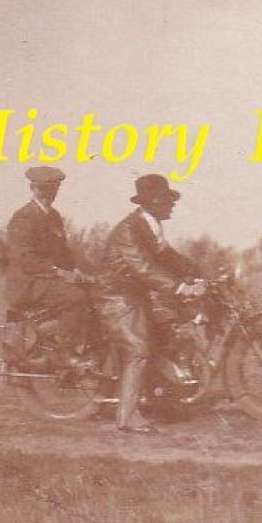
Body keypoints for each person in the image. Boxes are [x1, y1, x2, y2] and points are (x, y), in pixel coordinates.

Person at [98, 174, 201, 434]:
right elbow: (144, 267)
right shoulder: (129, 230)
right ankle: (127, 416)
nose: (173, 204)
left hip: (135, 294)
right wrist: (179, 287)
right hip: (116, 296)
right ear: (154, 201)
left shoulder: (150, 225)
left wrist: (198, 273)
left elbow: (166, 255)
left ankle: (160, 398)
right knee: (139, 348)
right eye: (168, 200)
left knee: (168, 331)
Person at [4, 165, 89, 349]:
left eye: (52, 189)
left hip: (45, 281)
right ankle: (68, 352)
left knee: (92, 291)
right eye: (42, 188)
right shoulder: (23, 217)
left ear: (57, 190)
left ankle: (88, 345)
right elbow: (26, 260)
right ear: (32, 188)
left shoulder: (54, 216)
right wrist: (60, 273)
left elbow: (64, 252)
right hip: (28, 283)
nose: (47, 194)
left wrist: (75, 270)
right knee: (76, 297)